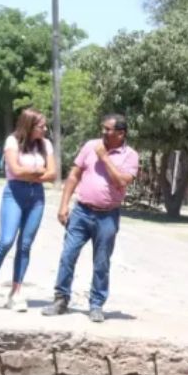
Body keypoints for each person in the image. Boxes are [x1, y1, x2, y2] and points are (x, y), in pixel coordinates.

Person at [43, 114, 139, 323]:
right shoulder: (90, 146)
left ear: (121, 134)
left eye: (108, 129)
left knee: (102, 263)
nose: (103, 132)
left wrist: (104, 158)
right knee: (68, 255)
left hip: (108, 216)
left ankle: (96, 305)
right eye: (102, 128)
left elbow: (121, 182)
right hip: (81, 212)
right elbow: (75, 175)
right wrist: (63, 204)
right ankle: (60, 300)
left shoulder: (130, 156)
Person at [0, 108, 56, 312]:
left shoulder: (45, 144)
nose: (45, 129)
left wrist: (30, 174)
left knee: (25, 245)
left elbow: (53, 174)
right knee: (6, 240)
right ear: (29, 125)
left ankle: (16, 291)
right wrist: (38, 171)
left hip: (36, 196)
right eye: (41, 126)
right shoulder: (12, 142)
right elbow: (15, 170)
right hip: (14, 193)